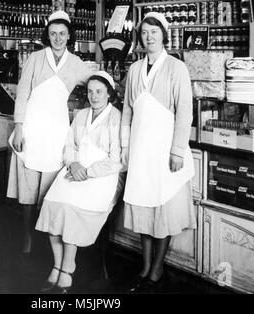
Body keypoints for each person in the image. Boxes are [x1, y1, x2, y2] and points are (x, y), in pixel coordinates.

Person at [120, 12, 197, 293]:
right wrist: (126, 145)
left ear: (164, 35)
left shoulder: (177, 68)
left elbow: (184, 112)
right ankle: (145, 265)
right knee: (143, 206)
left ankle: (157, 269)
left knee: (163, 208)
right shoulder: (134, 70)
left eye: (154, 32)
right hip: (141, 150)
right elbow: (127, 111)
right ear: (139, 38)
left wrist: (177, 150)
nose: (149, 37)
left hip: (165, 150)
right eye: (144, 33)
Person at [6, 11, 92, 255]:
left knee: (49, 190)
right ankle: (26, 235)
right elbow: (22, 93)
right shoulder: (35, 57)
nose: (58, 38)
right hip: (32, 128)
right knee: (28, 188)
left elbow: (94, 81)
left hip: (56, 130)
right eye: (53, 34)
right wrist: (19, 127)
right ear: (47, 35)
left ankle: (46, 239)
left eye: (62, 34)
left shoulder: (75, 62)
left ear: (69, 36)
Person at [35, 71, 125, 293]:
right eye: (90, 91)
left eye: (99, 91)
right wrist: (73, 165)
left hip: (101, 176)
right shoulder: (81, 114)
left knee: (72, 208)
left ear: (109, 94)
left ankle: (67, 269)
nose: (94, 96)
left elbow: (117, 160)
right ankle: (57, 265)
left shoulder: (116, 118)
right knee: (53, 202)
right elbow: (69, 146)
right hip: (74, 170)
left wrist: (89, 171)